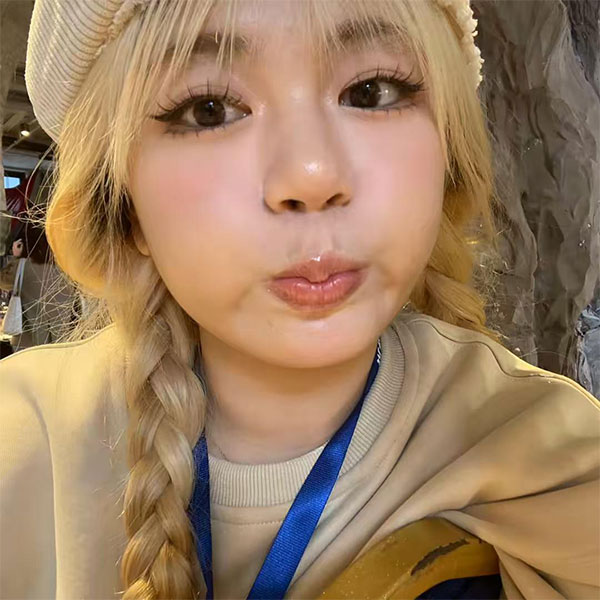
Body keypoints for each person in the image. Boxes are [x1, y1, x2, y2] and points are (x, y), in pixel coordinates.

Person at [0, 1, 598, 599]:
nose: (312, 174)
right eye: (209, 109)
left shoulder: (555, 460)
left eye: (371, 92)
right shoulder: (22, 437)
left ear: (448, 159)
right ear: (123, 206)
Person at [0, 225, 76, 351]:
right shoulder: (66, 266)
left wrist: (15, 256)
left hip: (29, 344)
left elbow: (3, 283)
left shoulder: (21, 266)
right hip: (62, 341)